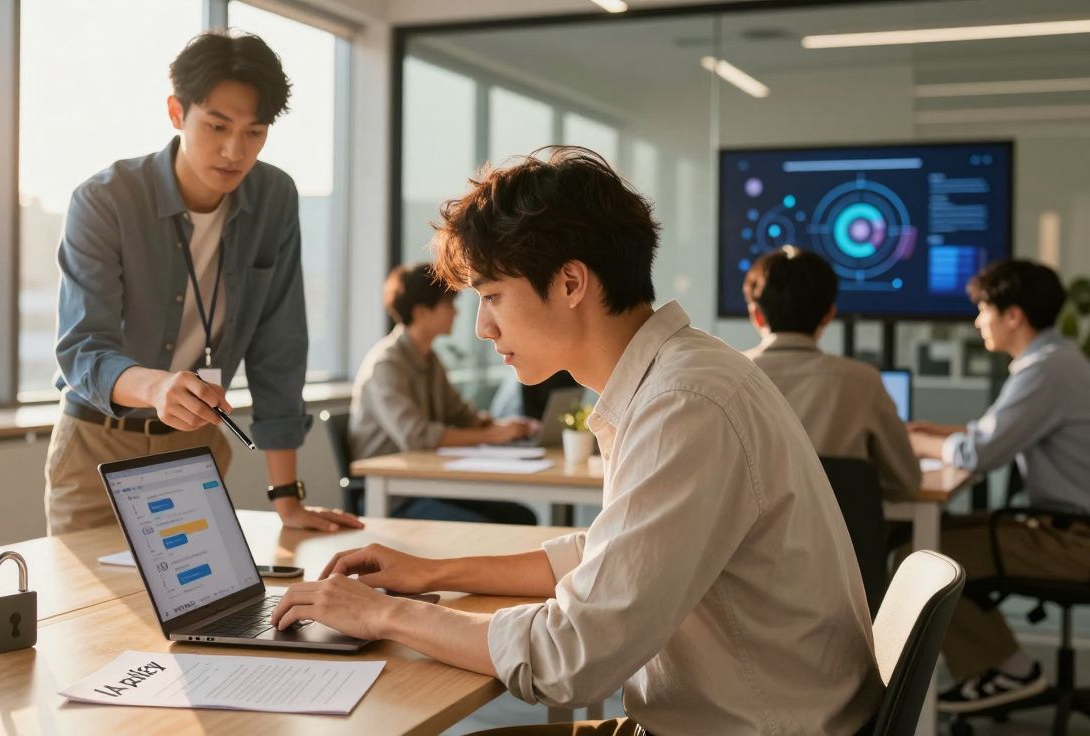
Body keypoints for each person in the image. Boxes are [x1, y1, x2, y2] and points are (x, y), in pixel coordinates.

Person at [271, 147, 882, 734]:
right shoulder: (679, 375)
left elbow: (570, 658)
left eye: (492, 296)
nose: (483, 327)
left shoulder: (683, 403)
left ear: (569, 283)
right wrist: (432, 571)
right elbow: (613, 553)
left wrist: (383, 613)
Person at [47, 30, 362, 536]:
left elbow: (278, 350)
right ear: (177, 113)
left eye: (254, 132)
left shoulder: (274, 197)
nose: (235, 151)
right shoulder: (105, 200)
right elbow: (83, 348)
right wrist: (158, 387)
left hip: (197, 448)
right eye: (217, 126)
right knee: (90, 612)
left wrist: (288, 501)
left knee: (201, 607)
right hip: (97, 446)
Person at [906, 259, 1090, 713]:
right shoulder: (1057, 360)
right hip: (1065, 528)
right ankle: (998, 667)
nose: (977, 319)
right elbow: (990, 434)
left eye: (984, 309)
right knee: (934, 539)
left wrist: (916, 439)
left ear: (1014, 315)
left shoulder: (1045, 369)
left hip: (1072, 539)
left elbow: (978, 454)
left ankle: (1009, 669)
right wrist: (941, 432)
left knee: (921, 555)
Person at [349, 263, 538, 524]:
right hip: (395, 496)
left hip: (429, 486)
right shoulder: (386, 365)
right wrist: (495, 434)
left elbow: (459, 414)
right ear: (421, 312)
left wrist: (501, 426)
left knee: (520, 517)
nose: (456, 312)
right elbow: (417, 437)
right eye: (447, 304)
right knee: (486, 527)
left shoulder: (430, 359)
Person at [742, 246, 921, 501]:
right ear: (829, 314)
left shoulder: (728, 377)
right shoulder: (862, 381)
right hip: (844, 539)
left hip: (751, 539)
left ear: (756, 315)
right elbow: (906, 483)